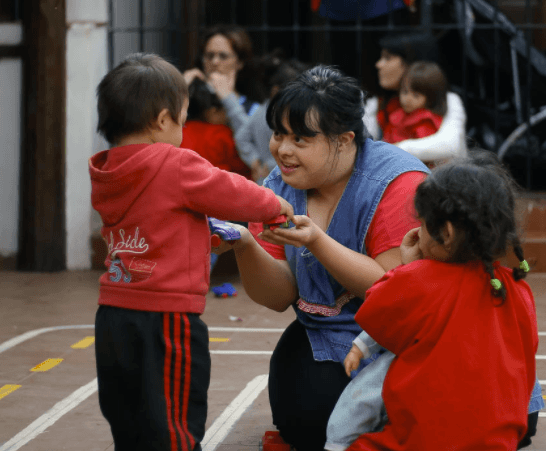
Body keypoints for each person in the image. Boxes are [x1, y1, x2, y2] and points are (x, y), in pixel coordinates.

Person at [213, 65, 430, 451]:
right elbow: (279, 296)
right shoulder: (277, 185)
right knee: (305, 423)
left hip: (405, 338)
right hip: (326, 334)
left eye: (300, 138)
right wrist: (244, 243)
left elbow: (397, 294)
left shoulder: (397, 182)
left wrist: (317, 241)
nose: (282, 149)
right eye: (279, 134)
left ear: (344, 140)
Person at [89, 53, 293, 450]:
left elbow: (157, 219)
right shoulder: (174, 162)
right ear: (163, 120)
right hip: (166, 318)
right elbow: (229, 191)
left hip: (113, 313)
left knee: (129, 417)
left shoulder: (106, 169)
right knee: (174, 422)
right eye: (183, 116)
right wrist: (274, 204)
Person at [324, 152, 538, 451]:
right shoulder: (516, 290)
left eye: (423, 224)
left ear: (446, 233)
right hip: (498, 441)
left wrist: (406, 268)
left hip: (426, 441)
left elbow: (377, 313)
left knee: (352, 431)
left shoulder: (420, 280)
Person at [363, 32, 468, 166]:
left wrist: (392, 149)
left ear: (410, 62)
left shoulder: (448, 99)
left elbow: (449, 145)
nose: (379, 64)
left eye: (387, 58)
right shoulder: (379, 103)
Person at [234, 57, 310, 183]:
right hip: (283, 179)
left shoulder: (261, 110)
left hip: (266, 179)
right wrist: (265, 163)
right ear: (275, 91)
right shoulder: (283, 115)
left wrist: (255, 161)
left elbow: (241, 138)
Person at [183, 25, 265, 138]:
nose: (215, 62)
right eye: (209, 55)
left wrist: (228, 98)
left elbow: (251, 146)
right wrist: (179, 89)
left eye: (223, 56)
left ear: (240, 62)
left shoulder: (255, 111)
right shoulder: (188, 100)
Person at [181, 78, 251, 179]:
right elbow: (243, 167)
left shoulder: (180, 131)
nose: (227, 116)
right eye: (224, 110)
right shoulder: (221, 133)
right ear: (212, 112)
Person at [378, 61, 447, 155]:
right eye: (405, 92)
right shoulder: (396, 111)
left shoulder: (426, 121)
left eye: (416, 95)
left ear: (430, 97)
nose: (408, 99)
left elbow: (423, 152)